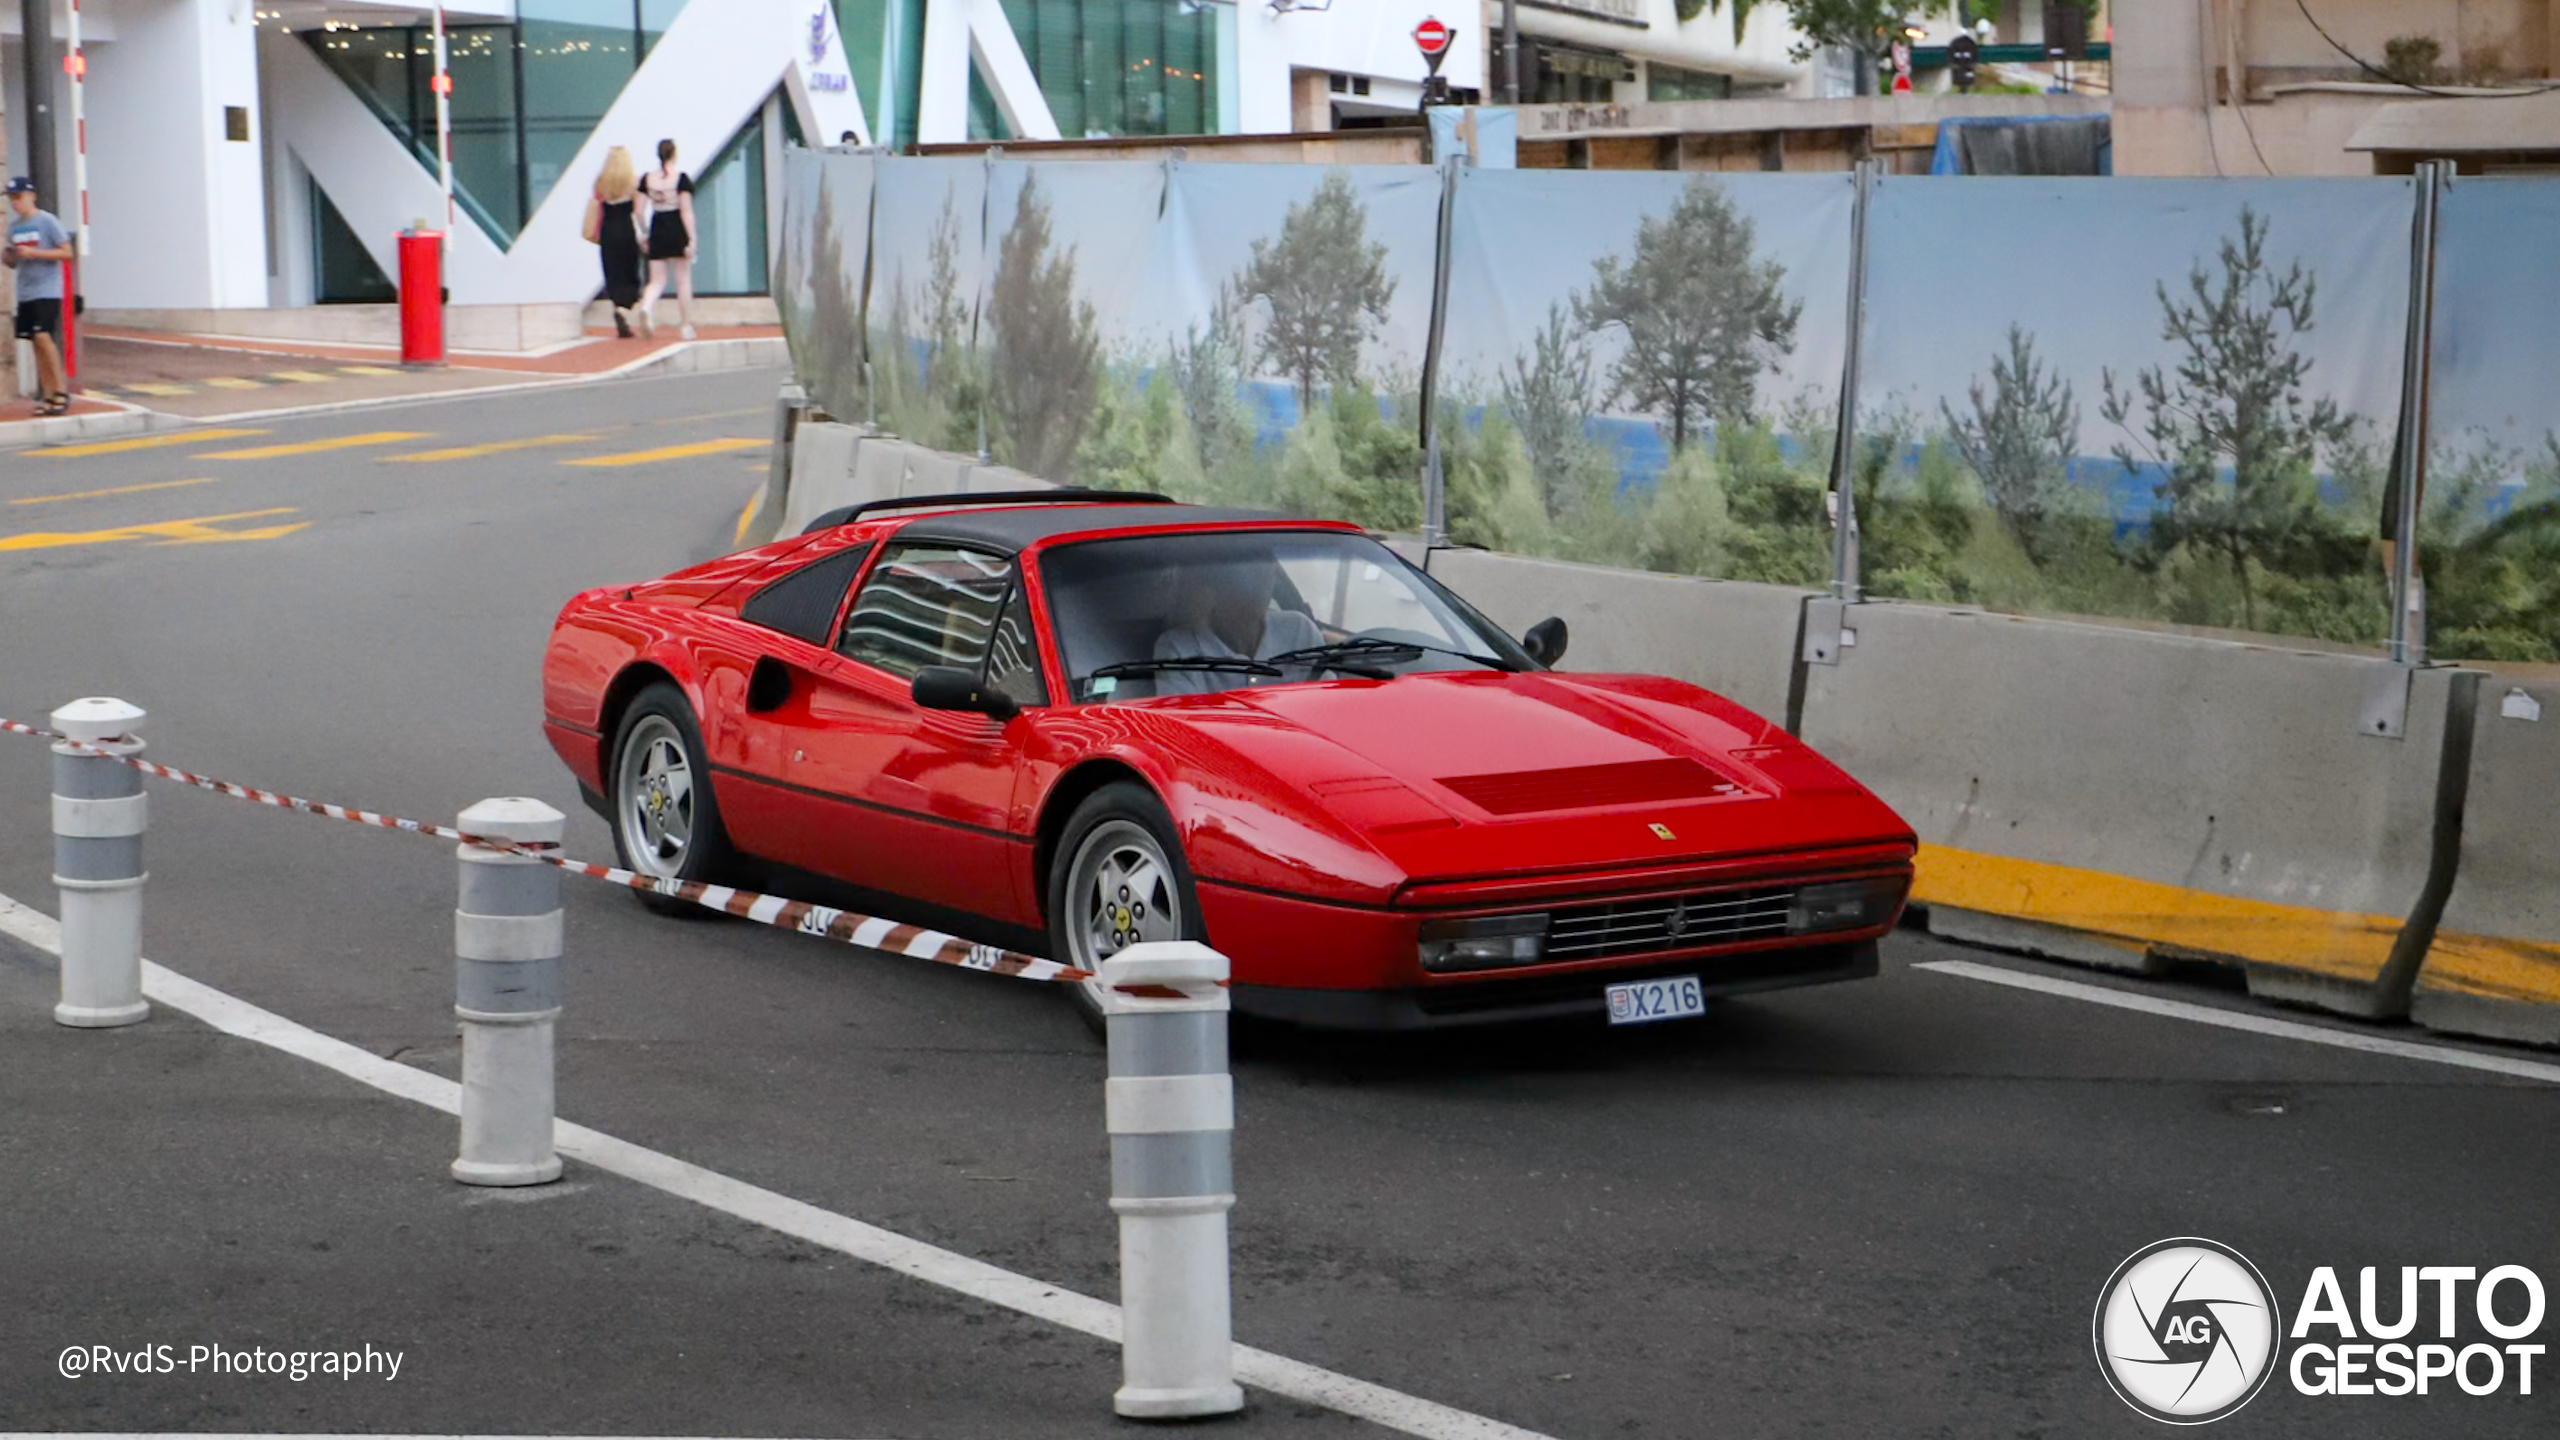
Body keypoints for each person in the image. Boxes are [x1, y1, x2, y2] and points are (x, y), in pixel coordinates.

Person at [1151, 555, 1323, 695]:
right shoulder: (1180, 648)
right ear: (1215, 585)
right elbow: (1185, 724)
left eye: (1268, 567)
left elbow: (1329, 695)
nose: (1263, 577)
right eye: (1247, 571)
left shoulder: (1300, 629)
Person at [5, 176, 75, 416]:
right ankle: (47, 394)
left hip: (47, 290)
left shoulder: (46, 221)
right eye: (12, 199)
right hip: (26, 291)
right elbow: (13, 264)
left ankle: (60, 392)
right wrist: (8, 255)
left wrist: (34, 252)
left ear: (31, 195)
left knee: (44, 338)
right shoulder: (13, 228)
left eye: (18, 197)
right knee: (36, 342)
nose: (15, 203)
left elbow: (67, 252)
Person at [636, 138, 696, 341]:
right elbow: (686, 211)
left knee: (657, 280)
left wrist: (644, 233)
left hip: (658, 225)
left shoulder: (647, 179)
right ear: (674, 154)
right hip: (676, 225)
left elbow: (639, 211)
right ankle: (686, 325)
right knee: (683, 280)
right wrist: (691, 239)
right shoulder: (681, 179)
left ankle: (646, 306)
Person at [583, 147, 646, 338]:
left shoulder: (601, 182)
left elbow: (596, 204)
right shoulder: (633, 182)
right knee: (629, 270)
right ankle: (624, 309)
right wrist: (644, 232)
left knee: (613, 271)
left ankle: (617, 305)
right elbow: (637, 211)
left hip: (608, 232)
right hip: (626, 230)